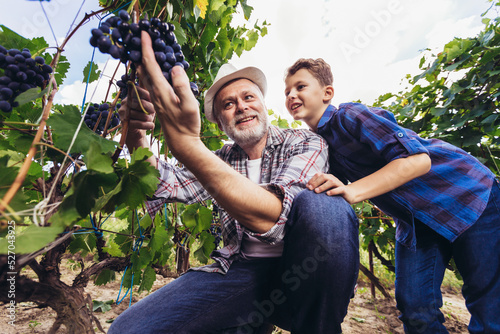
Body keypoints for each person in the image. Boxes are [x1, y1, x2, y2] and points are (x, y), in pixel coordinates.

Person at [108, 33, 359, 334]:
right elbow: (163, 184)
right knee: (127, 330)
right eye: (228, 104)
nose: (241, 107)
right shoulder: (220, 160)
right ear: (220, 123)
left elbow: (274, 217)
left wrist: (188, 145)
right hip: (242, 272)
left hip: (304, 272)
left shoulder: (304, 141)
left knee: (325, 204)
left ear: (264, 105)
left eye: (249, 97)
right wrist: (137, 136)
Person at [283, 57, 500, 333]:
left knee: (488, 308)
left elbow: (418, 161)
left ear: (327, 93)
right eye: (287, 91)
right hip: (415, 221)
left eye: (300, 86)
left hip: (467, 193)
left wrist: (352, 190)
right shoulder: (321, 145)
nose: (291, 95)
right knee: (416, 311)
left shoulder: (349, 115)